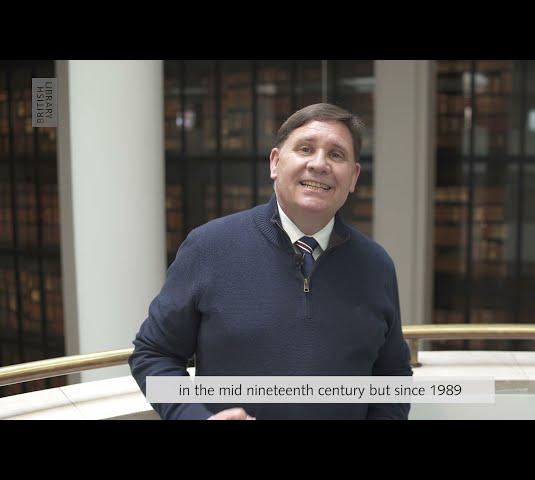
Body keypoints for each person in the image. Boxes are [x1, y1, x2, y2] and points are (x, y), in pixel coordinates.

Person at [128, 103, 413, 420]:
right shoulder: (208, 247)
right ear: (276, 163)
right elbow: (154, 354)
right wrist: (193, 416)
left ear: (354, 177)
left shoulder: (376, 266)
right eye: (306, 149)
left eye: (336, 155)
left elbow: (393, 375)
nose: (319, 164)